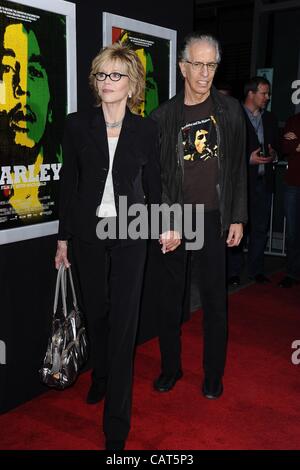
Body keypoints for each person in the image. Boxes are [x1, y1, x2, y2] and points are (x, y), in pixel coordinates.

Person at [55, 43, 161, 450]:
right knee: (97, 312)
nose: (106, 82)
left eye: (116, 75)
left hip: (133, 233)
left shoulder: (146, 129)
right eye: (101, 74)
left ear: (132, 83)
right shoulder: (77, 124)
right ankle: (100, 374)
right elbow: (69, 184)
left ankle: (116, 422)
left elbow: (155, 185)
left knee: (124, 325)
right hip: (87, 233)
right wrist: (63, 238)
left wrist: (165, 226)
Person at [150, 32, 247, 399]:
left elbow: (237, 168)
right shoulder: (163, 116)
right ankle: (170, 368)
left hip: (213, 217)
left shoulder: (230, 111)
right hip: (176, 218)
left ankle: (212, 374)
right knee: (170, 300)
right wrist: (165, 221)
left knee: (214, 301)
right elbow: (156, 177)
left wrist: (236, 216)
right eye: (198, 64)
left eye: (211, 65)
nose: (205, 73)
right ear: (182, 67)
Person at [0, 17, 65, 224]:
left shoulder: (66, 186)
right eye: (8, 69)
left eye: (35, 72)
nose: (22, 88)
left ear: (52, 103)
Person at [228, 76, 279, 286]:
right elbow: (226, 151)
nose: (267, 97)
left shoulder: (270, 119)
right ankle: (232, 272)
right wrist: (249, 158)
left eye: (268, 94)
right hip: (241, 184)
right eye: (264, 93)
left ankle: (255, 270)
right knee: (237, 227)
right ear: (251, 93)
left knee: (260, 228)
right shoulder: (234, 115)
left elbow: (277, 147)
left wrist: (273, 155)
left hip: (263, 182)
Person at [278, 112, 300, 288]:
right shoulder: (294, 120)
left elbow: (293, 144)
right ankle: (292, 273)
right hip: (293, 183)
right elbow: (285, 146)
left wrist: (296, 143)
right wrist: (293, 145)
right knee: (292, 233)